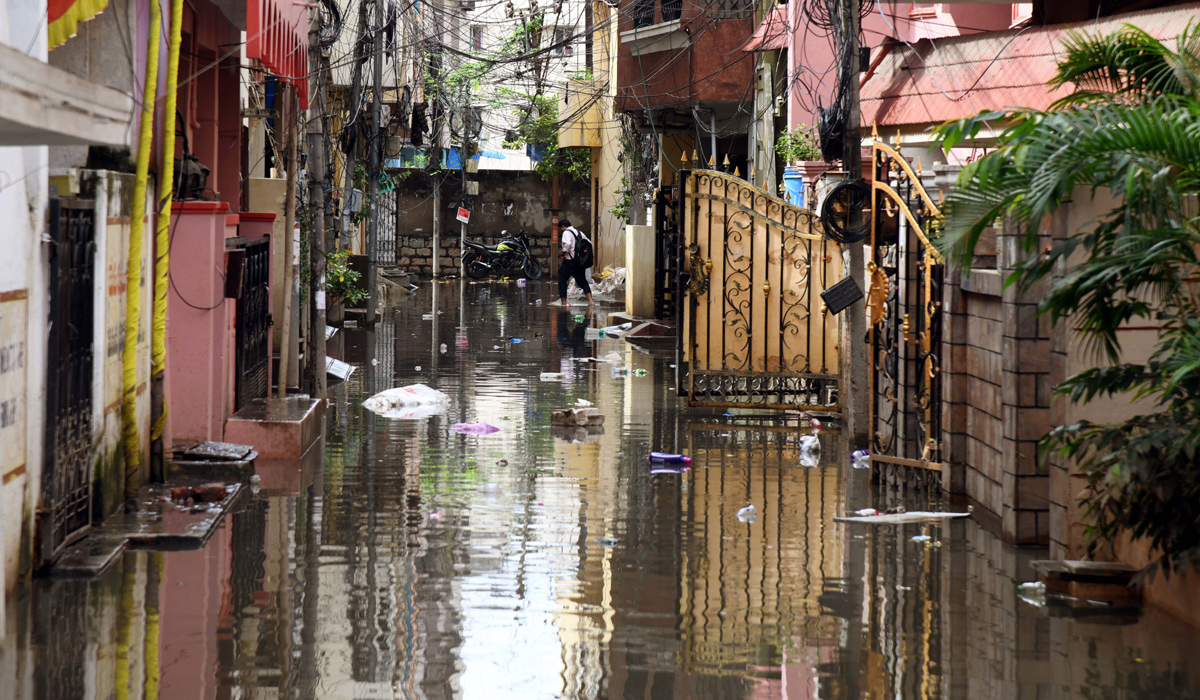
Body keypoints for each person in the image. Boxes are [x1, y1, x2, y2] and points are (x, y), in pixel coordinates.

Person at [556, 218, 594, 308]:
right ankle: (591, 301)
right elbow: (589, 243)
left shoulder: (566, 232)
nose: (561, 230)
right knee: (583, 281)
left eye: (561, 228)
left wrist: (563, 253)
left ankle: (564, 302)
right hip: (579, 262)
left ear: (563, 226)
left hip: (569, 261)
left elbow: (568, 244)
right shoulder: (579, 232)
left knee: (562, 280)